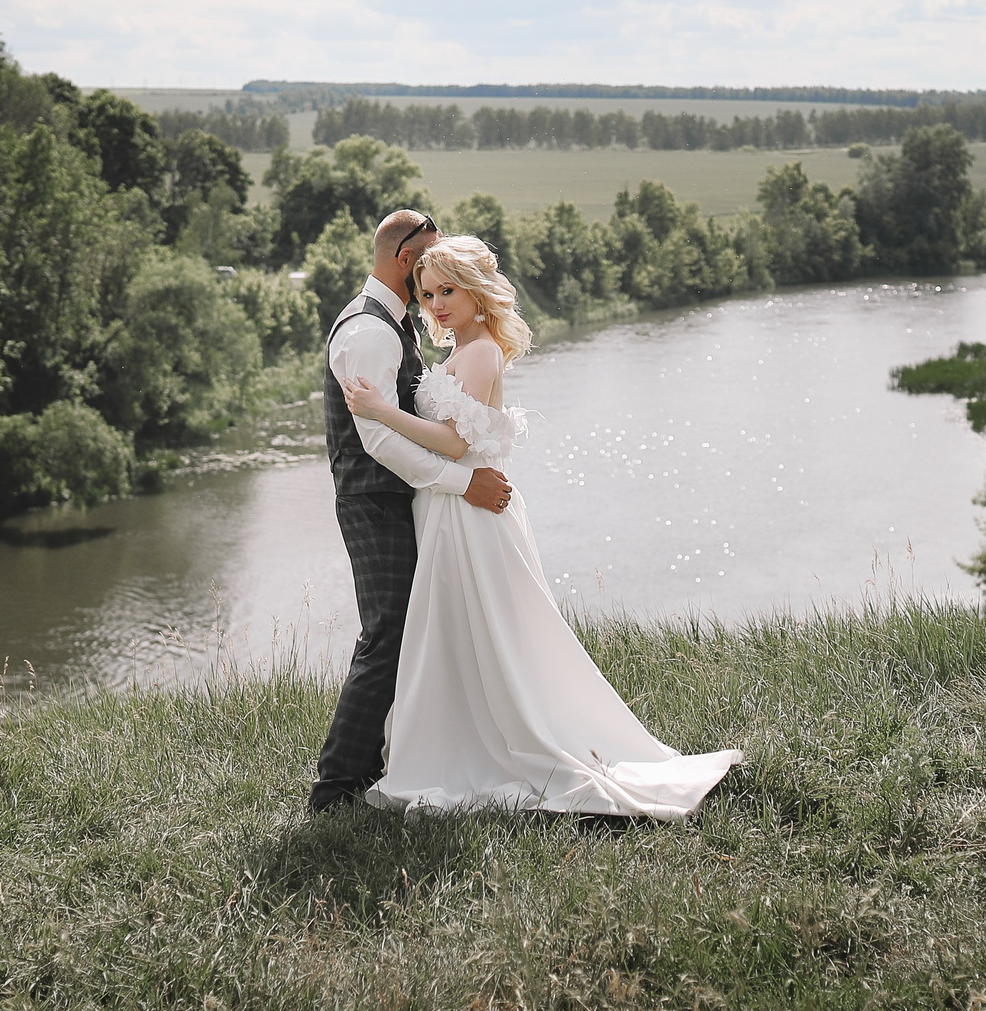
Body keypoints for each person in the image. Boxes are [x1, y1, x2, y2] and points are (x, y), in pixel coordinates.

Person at [339, 233, 741, 819]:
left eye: (449, 291)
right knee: (456, 633)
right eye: (427, 295)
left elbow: (455, 443)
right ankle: (455, 743)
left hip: (470, 515)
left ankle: (504, 747)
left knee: (490, 632)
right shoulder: (459, 352)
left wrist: (382, 411)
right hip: (446, 510)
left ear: (476, 291)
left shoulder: (481, 352)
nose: (437, 305)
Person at [310, 211, 514, 813]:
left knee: (416, 629)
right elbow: (377, 439)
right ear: (405, 260)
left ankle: (401, 759)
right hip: (375, 499)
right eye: (426, 269)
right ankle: (337, 785)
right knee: (389, 634)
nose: (433, 287)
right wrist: (462, 482)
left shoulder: (399, 325)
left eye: (446, 285)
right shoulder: (369, 331)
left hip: (411, 499)